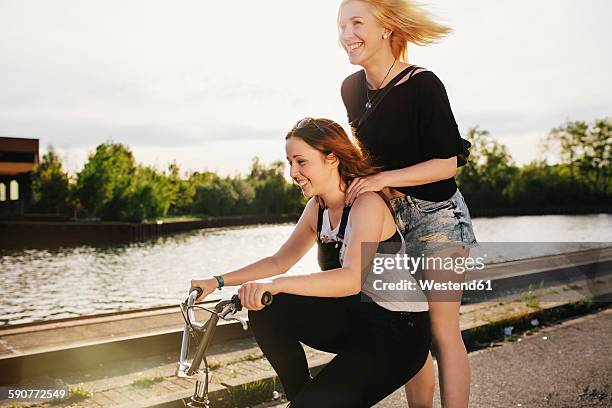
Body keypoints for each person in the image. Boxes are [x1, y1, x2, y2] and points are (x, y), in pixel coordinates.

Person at [190, 117, 431, 407]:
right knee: (267, 309)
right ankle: (303, 399)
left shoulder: (366, 203)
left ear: (332, 158)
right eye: (289, 162)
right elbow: (279, 261)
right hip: (359, 320)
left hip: (399, 331)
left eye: (301, 162)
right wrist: (216, 282)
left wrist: (277, 285)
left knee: (275, 294)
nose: (293, 172)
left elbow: (351, 279)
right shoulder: (317, 208)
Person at [337, 1, 479, 408]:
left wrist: (383, 180)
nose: (347, 33)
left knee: (441, 331)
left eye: (357, 22)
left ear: (386, 28)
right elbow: (369, 157)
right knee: (410, 332)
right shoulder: (350, 88)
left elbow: (446, 163)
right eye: (341, 25)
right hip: (388, 223)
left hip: (438, 220)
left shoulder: (423, 84)